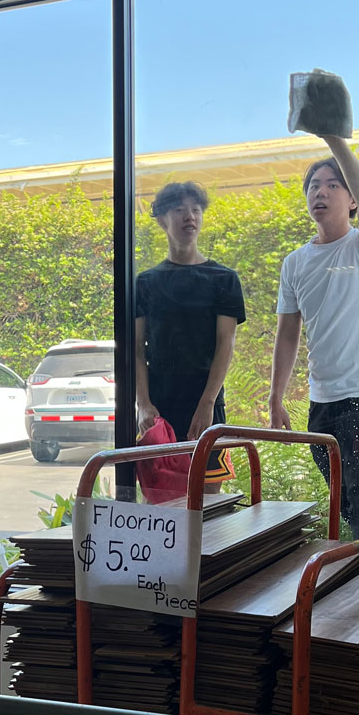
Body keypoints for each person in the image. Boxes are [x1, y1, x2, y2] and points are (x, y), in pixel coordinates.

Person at [269, 119, 359, 539]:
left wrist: (332, 140)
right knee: (348, 507)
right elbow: (288, 334)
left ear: (353, 199)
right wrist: (276, 396)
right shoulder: (295, 263)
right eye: (313, 186)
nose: (319, 191)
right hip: (322, 404)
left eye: (332, 185)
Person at [136, 181, 245, 489]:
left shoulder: (224, 278)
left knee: (208, 502)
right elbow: (136, 351)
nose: (189, 217)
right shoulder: (145, 282)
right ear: (161, 220)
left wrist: (208, 402)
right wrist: (143, 404)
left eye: (196, 210)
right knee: (160, 501)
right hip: (159, 409)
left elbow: (226, 344)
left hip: (206, 404)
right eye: (179, 210)